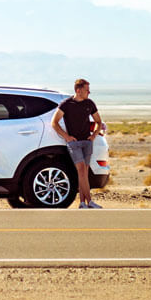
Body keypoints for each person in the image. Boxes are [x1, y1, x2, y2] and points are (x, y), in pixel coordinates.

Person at [50, 78, 105, 209]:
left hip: (87, 142)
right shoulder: (66, 104)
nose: (89, 92)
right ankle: (87, 202)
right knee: (81, 169)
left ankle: (84, 203)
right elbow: (54, 122)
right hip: (74, 144)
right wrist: (67, 137)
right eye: (87, 90)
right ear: (78, 90)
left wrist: (93, 136)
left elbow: (99, 121)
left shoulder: (89, 103)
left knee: (84, 172)